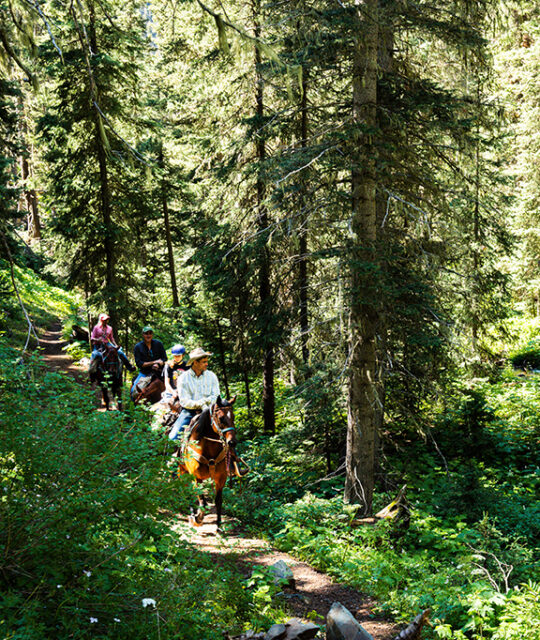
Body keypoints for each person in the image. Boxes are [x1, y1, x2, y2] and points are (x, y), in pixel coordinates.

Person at [168, 347, 219, 442]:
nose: (207, 364)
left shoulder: (212, 376)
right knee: (172, 438)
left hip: (211, 411)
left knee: (228, 433)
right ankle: (168, 456)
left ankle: (234, 456)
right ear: (195, 362)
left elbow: (216, 396)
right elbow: (184, 401)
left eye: (207, 361)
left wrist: (206, 405)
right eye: (204, 362)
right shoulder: (183, 378)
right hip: (190, 412)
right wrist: (202, 404)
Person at [132, 325, 168, 393]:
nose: (148, 335)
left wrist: (158, 364)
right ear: (143, 334)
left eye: (150, 333)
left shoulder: (158, 344)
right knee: (134, 390)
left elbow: (164, 358)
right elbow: (139, 364)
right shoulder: (138, 347)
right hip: (145, 373)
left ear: (152, 334)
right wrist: (154, 362)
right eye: (146, 333)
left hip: (160, 372)